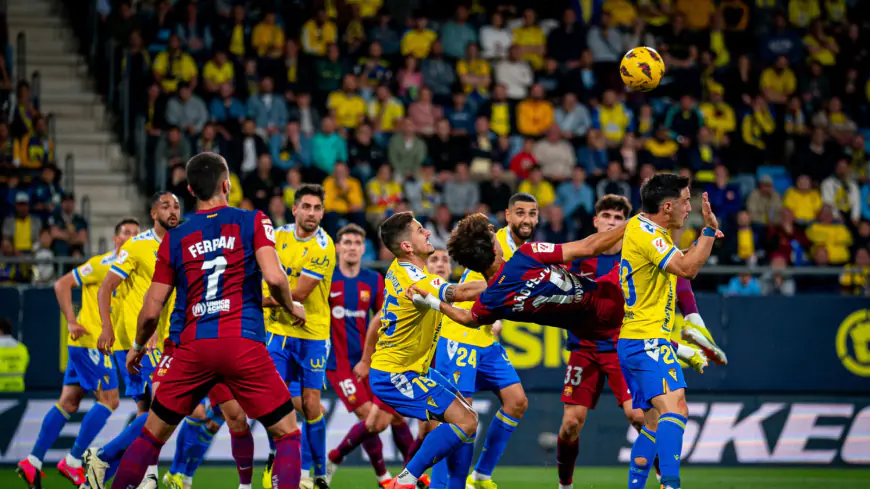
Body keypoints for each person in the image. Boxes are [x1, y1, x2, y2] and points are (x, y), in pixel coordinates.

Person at [99, 152, 306, 489]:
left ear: (191, 191)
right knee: (287, 433)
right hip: (243, 342)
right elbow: (275, 276)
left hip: (193, 348)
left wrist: (137, 346)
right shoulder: (253, 220)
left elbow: (152, 309)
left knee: (151, 436)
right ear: (227, 184)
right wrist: (290, 305)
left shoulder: (174, 237)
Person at [16, 218, 140, 488]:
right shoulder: (102, 264)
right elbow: (61, 284)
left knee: (69, 402)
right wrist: (71, 320)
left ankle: (33, 460)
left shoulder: (130, 271)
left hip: (88, 345)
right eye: (126, 233)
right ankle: (73, 462)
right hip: (91, 342)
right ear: (116, 238)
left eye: (135, 233)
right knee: (110, 400)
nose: (131, 237)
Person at [617, 174, 719, 489]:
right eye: (686, 201)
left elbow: (681, 265)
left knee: (651, 422)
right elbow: (688, 269)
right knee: (675, 408)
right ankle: (671, 485)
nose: (689, 208)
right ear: (667, 205)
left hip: (636, 340)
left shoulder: (644, 229)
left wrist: (700, 241)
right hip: (647, 340)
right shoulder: (650, 234)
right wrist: (710, 232)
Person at [370, 212, 486, 489]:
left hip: (413, 369)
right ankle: (405, 482)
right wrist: (510, 280)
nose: (428, 233)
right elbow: (459, 293)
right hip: (395, 375)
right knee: (466, 422)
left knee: (468, 419)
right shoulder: (414, 280)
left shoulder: (400, 270)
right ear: (407, 247)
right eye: (421, 230)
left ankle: (428, 481)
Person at [430, 193, 537, 489]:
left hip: (485, 337)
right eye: (520, 213)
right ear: (508, 216)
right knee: (457, 419)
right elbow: (480, 284)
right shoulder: (493, 242)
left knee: (516, 402)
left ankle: (480, 475)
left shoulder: (523, 249)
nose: (527, 219)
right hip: (461, 336)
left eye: (532, 213)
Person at [86, 192, 181, 489]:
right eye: (166, 206)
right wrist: (106, 328)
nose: (173, 210)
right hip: (141, 341)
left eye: (177, 205)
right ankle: (104, 456)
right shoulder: (138, 245)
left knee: (148, 414)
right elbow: (106, 288)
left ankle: (131, 475)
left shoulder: (183, 243)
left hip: (169, 339)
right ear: (154, 213)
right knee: (164, 410)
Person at [324, 224, 414, 488]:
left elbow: (383, 320)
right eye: (347, 242)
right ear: (339, 247)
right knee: (368, 415)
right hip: (339, 364)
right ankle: (381, 476)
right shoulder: (327, 280)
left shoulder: (373, 280)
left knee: (395, 416)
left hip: (372, 362)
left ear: (364, 249)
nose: (352, 247)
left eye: (356, 243)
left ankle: (413, 473)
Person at [262, 184, 336, 489]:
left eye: (317, 208)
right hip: (277, 331)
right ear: (294, 209)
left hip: (313, 332)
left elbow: (299, 295)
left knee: (310, 405)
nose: (312, 214)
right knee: (273, 399)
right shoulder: (276, 237)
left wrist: (255, 299)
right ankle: (282, 459)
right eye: (306, 207)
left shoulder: (323, 246)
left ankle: (317, 470)